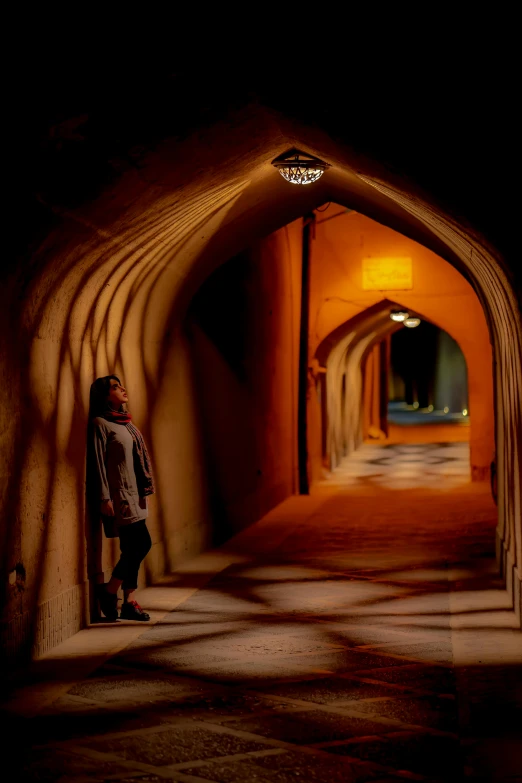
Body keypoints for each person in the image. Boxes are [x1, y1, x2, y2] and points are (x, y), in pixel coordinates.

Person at [89, 375, 155, 621]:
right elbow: (98, 464)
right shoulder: (100, 424)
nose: (123, 389)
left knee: (131, 549)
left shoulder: (126, 424)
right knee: (141, 545)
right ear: (105, 395)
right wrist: (104, 498)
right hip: (119, 498)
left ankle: (129, 601)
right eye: (115, 387)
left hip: (136, 495)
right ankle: (108, 591)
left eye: (121, 385)